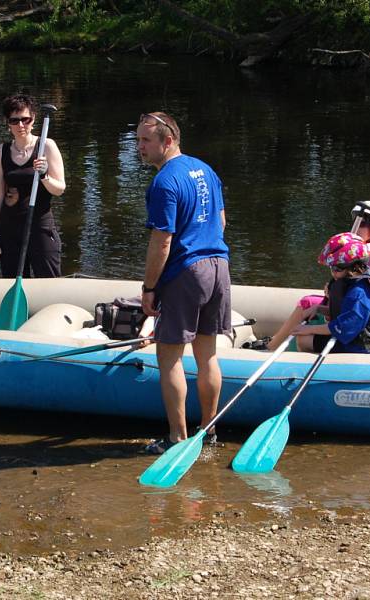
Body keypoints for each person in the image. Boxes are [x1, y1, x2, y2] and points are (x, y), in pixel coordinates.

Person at [136, 111, 231, 455]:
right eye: (138, 140)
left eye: (146, 140)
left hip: (186, 273)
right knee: (207, 356)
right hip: (219, 265)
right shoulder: (205, 169)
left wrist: (150, 288)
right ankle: (209, 431)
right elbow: (221, 220)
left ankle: (177, 438)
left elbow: (162, 241)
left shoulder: (164, 182)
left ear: (169, 140)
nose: (139, 147)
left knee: (170, 358)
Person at [263, 201, 370, 352]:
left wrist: (312, 327)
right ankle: (278, 345)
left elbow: (349, 321)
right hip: (360, 316)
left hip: (364, 330)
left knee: (307, 303)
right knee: (311, 310)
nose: (357, 225)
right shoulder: (356, 260)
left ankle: (272, 347)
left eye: (363, 223)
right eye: (356, 220)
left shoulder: (365, 272)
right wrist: (327, 301)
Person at [0, 93, 66, 278]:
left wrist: (45, 175)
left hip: (40, 227)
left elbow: (60, 189)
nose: (21, 125)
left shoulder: (47, 146)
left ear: (33, 119)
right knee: (12, 282)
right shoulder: (1, 151)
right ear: (7, 122)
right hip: (10, 230)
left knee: (48, 283)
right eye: (14, 121)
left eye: (25, 119)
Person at [287, 232, 370, 354]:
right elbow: (345, 312)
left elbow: (344, 327)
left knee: (303, 340)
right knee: (305, 336)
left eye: (337, 269)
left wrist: (309, 329)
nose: (333, 273)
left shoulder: (360, 292)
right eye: (332, 268)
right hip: (351, 337)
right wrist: (319, 308)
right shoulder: (350, 281)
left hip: (360, 345)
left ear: (354, 267)